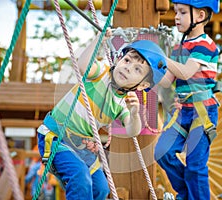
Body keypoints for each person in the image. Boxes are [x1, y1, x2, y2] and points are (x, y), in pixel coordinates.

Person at [37, 29, 168, 200]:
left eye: (137, 69)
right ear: (119, 59)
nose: (127, 68)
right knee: (80, 177)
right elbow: (84, 66)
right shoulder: (102, 73)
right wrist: (98, 39)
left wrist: (135, 114)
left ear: (142, 85)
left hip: (81, 146)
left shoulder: (124, 103)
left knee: (101, 187)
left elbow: (132, 130)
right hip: (56, 136)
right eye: (127, 60)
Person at [154, 0, 220, 199]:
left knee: (195, 165)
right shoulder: (178, 47)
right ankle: (185, 193)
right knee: (162, 153)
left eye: (182, 12)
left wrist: (162, 57)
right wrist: (149, 67)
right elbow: (167, 81)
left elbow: (185, 72)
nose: (176, 17)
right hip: (183, 111)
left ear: (199, 17)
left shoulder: (205, 45)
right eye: (176, 12)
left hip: (202, 111)